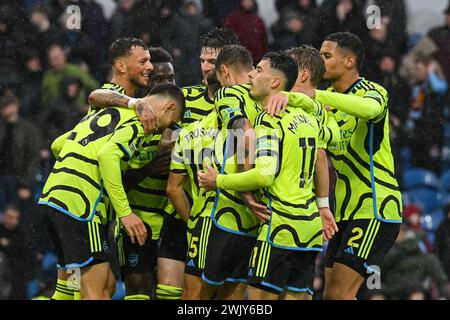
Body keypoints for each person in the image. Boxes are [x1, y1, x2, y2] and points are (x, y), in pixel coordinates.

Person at [38, 38, 184, 300]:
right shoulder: (136, 114)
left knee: (75, 285)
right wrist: (125, 212)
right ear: (120, 65)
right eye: (143, 61)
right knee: (96, 291)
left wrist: (76, 163)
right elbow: (107, 154)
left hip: (56, 197)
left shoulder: (106, 111)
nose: (149, 66)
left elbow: (59, 144)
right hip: (83, 207)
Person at [198, 52, 338, 300]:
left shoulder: (269, 120)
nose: (252, 74)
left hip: (279, 227)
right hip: (310, 230)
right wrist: (323, 206)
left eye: (259, 70)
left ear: (275, 83)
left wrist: (217, 181)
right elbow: (325, 150)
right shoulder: (308, 117)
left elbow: (263, 175)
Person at [289, 32, 403, 300]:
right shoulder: (324, 100)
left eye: (326, 56)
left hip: (375, 206)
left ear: (349, 61)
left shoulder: (373, 92)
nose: (320, 60)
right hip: (343, 213)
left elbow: (370, 110)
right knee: (333, 295)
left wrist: (317, 96)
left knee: (339, 294)